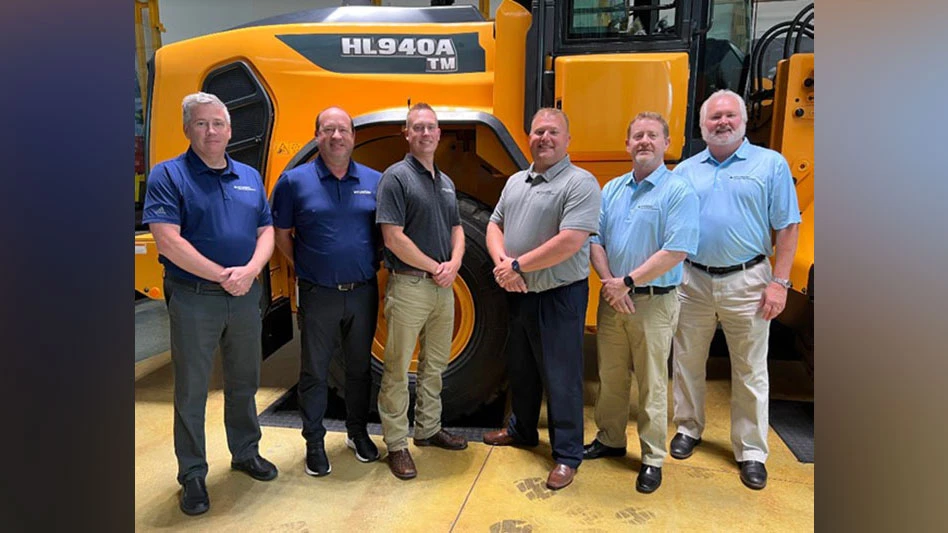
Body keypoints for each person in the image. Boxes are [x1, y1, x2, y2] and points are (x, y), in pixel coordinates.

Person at [142, 92, 277, 516]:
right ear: (187, 129)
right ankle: (193, 475)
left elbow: (266, 231)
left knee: (244, 380)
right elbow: (167, 239)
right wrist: (222, 275)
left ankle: (245, 452)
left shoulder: (249, 176)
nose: (211, 131)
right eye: (201, 123)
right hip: (195, 297)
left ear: (230, 130)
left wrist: (251, 271)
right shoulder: (169, 175)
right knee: (192, 390)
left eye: (218, 123)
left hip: (244, 295)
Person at [670, 89, 801, 490]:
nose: (722, 122)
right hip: (692, 279)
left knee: (749, 369)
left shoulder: (770, 165)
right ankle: (689, 428)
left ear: (743, 122)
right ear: (702, 126)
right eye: (714, 117)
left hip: (749, 280)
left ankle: (751, 451)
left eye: (730, 116)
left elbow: (788, 226)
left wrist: (779, 283)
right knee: (687, 360)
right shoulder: (685, 171)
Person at [481, 108, 601, 491]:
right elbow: (494, 223)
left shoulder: (581, 183)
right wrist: (503, 263)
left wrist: (516, 264)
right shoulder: (517, 181)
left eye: (553, 132)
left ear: (568, 140)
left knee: (561, 375)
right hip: (518, 291)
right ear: (528, 138)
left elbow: (570, 241)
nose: (544, 138)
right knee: (521, 368)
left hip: (558, 294)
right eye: (537, 132)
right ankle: (522, 430)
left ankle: (567, 455)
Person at [581, 112, 699, 494]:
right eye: (637, 136)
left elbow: (676, 250)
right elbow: (594, 239)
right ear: (627, 144)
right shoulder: (612, 188)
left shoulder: (678, 191)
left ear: (666, 143)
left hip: (652, 302)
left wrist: (628, 282)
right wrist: (610, 283)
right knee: (610, 376)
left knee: (651, 384)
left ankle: (651, 459)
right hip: (613, 299)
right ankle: (611, 439)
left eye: (652, 135)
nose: (644, 141)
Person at [270, 106, 382, 477]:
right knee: (315, 371)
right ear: (317, 136)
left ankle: (357, 432)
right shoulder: (293, 182)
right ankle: (314, 443)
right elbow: (281, 233)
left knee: (359, 369)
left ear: (353, 136)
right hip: (319, 293)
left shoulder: (374, 180)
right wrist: (303, 266)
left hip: (363, 293)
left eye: (343, 130)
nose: (337, 136)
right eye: (328, 129)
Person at [375, 103, 468, 480]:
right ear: (407, 134)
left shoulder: (445, 181)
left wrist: (455, 264)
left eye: (431, 127)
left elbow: (457, 228)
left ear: (439, 134)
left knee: (435, 365)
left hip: (442, 287)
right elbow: (392, 237)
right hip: (411, 284)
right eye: (418, 128)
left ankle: (428, 429)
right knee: (397, 368)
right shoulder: (395, 178)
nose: (426, 133)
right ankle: (396, 444)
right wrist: (436, 267)